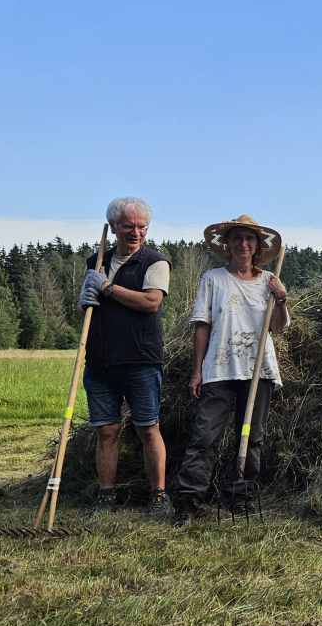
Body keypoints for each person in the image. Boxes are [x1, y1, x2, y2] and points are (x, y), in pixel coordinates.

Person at [174, 215, 289, 526]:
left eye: (249, 239)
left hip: (258, 371)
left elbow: (276, 329)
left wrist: (280, 299)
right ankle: (188, 501)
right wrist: (196, 370)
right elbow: (202, 326)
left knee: (251, 437)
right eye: (237, 238)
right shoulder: (213, 279)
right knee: (204, 436)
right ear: (227, 244)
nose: (243, 244)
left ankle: (241, 496)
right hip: (219, 369)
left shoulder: (269, 282)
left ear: (257, 246)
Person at [78, 196, 171, 512]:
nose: (136, 232)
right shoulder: (96, 262)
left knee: (148, 428)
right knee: (107, 430)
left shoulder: (154, 262)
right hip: (101, 361)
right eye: (128, 226)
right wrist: (86, 297)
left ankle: (158, 496)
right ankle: (106, 495)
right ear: (114, 227)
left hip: (141, 360)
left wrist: (108, 289)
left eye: (142, 226)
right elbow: (86, 310)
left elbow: (151, 303)